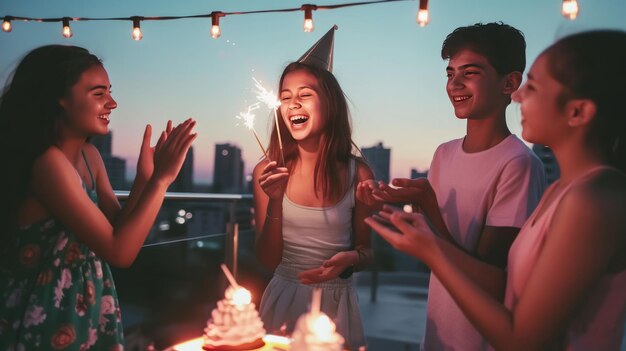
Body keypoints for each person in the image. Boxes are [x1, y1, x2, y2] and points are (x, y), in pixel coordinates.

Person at [366, 29, 626, 350]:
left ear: (578, 112)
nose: (518, 97)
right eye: (450, 73)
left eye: (532, 86)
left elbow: (521, 337)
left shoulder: (592, 199)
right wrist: (420, 210)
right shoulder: (565, 189)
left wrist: (430, 247)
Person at [357, 22, 546, 350]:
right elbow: (437, 246)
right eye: (449, 73)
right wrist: (391, 206)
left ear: (510, 83)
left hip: (484, 337)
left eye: (469, 72)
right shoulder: (443, 154)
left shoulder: (518, 163)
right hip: (438, 328)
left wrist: (427, 205)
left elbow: (490, 280)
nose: (454, 84)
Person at [0, 45, 197, 350]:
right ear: (60, 98)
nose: (112, 102)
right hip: (44, 311)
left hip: (85, 304)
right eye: (98, 93)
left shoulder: (90, 157)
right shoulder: (47, 163)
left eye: (110, 92)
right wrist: (162, 180)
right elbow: (120, 252)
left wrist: (145, 178)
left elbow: (119, 226)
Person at [253, 26, 374, 349]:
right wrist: (275, 203)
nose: (293, 104)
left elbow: (367, 250)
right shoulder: (267, 172)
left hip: (337, 306)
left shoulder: (359, 173)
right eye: (285, 97)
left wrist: (351, 258)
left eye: (305, 95)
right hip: (283, 299)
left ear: (330, 104)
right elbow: (266, 259)